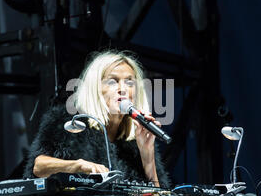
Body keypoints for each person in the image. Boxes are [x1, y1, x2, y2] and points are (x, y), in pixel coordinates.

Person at [23, 50, 171, 188]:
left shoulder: (135, 139)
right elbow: (38, 167)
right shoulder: (70, 121)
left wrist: (147, 154)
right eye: (112, 81)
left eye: (129, 82)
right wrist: (77, 166)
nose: (123, 89)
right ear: (95, 88)